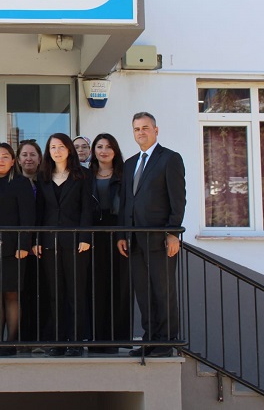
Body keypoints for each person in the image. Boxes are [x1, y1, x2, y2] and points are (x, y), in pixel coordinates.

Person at [117, 112, 186, 358]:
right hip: (134, 239)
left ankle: (166, 342)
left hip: (159, 239)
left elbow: (178, 200)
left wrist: (172, 233)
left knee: (162, 290)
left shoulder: (170, 159)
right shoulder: (130, 163)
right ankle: (149, 340)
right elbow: (126, 202)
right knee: (144, 293)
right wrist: (123, 234)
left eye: (145, 128)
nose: (141, 132)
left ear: (156, 130)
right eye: (136, 129)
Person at [34, 133, 93, 357]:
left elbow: (87, 208)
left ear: (69, 149)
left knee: (75, 293)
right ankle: (58, 341)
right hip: (49, 242)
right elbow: (40, 210)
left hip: (76, 242)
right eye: (52, 147)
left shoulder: (83, 175)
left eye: (60, 147)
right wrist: (37, 239)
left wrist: (85, 237)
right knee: (55, 293)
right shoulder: (43, 176)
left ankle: (76, 342)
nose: (56, 151)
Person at [0, 143, 35, 356]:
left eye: (5, 156)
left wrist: (23, 244)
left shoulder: (21, 183)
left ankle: (10, 342)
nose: (0, 160)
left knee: (11, 295)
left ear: (13, 161)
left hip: (13, 247)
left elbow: (28, 216)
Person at [87, 133, 130, 353]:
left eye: (108, 147)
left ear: (115, 150)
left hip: (117, 235)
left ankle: (115, 338)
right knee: (95, 285)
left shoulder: (125, 175)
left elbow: (128, 207)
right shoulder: (86, 176)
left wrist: (124, 234)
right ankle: (96, 338)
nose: (104, 150)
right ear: (93, 150)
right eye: (99, 146)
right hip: (93, 234)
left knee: (117, 285)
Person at [15, 139, 46, 343]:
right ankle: (23, 338)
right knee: (21, 294)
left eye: (32, 154)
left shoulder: (46, 182)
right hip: (19, 248)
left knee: (42, 294)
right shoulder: (13, 183)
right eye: (24, 155)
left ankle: (41, 338)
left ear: (40, 158)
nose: (28, 158)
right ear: (18, 159)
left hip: (43, 246)